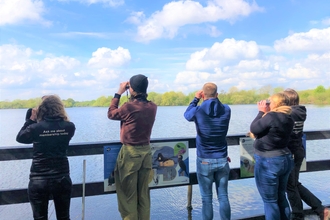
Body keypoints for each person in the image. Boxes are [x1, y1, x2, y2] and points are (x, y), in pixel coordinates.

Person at [16, 95, 76, 220]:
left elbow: (21, 138)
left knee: (40, 218)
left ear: (42, 109)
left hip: (39, 179)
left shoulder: (35, 128)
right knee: (64, 217)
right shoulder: (69, 127)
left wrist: (31, 119)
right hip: (62, 177)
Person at [107, 74, 157, 220]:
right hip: (146, 152)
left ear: (132, 89)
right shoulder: (153, 106)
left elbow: (111, 114)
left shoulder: (128, 107)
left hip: (130, 152)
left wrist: (119, 93)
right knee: (143, 194)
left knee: (127, 196)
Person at [184, 82, 231, 220]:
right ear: (217, 95)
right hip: (222, 159)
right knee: (223, 197)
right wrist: (212, 97)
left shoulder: (198, 110)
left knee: (206, 199)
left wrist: (195, 99)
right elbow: (218, 105)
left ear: (203, 95)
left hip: (204, 160)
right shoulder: (227, 109)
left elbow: (187, 115)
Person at [284, 88, 330, 220]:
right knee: (294, 184)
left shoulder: (289, 114)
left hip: (291, 153)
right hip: (298, 151)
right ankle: (321, 210)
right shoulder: (300, 112)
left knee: (291, 186)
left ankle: (298, 215)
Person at [250, 93, 294, 220]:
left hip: (269, 161)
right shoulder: (288, 117)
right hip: (284, 158)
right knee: (281, 196)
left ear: (275, 104)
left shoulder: (271, 116)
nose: (268, 103)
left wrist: (260, 112)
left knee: (270, 200)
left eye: (270, 101)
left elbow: (254, 128)